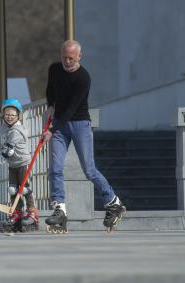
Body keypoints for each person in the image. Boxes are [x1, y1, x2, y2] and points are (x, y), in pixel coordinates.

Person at [41, 40, 125, 233]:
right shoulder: (54, 69)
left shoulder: (83, 78)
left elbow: (71, 109)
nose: (67, 62)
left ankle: (113, 202)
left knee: (89, 170)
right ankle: (59, 209)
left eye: (71, 58)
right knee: (55, 168)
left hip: (79, 124)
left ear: (79, 56)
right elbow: (50, 89)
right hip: (60, 126)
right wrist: (50, 105)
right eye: (64, 57)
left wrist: (51, 130)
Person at [0, 98, 39, 233]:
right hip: (12, 164)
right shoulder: (5, 127)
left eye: (12, 115)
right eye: (7, 114)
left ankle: (32, 214)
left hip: (23, 163)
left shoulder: (16, 131)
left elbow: (7, 150)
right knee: (13, 189)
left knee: (24, 189)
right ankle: (17, 212)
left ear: (18, 116)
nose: (9, 117)